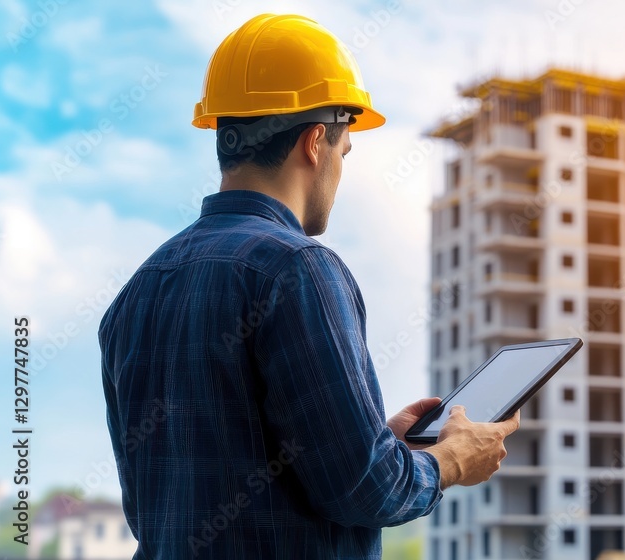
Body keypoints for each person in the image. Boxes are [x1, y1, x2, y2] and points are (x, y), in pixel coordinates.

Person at [99, 13, 519, 559]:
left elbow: (158, 504)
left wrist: (377, 442)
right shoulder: (297, 270)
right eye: (345, 152)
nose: (341, 171)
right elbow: (368, 490)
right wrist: (451, 459)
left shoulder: (136, 293)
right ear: (316, 141)